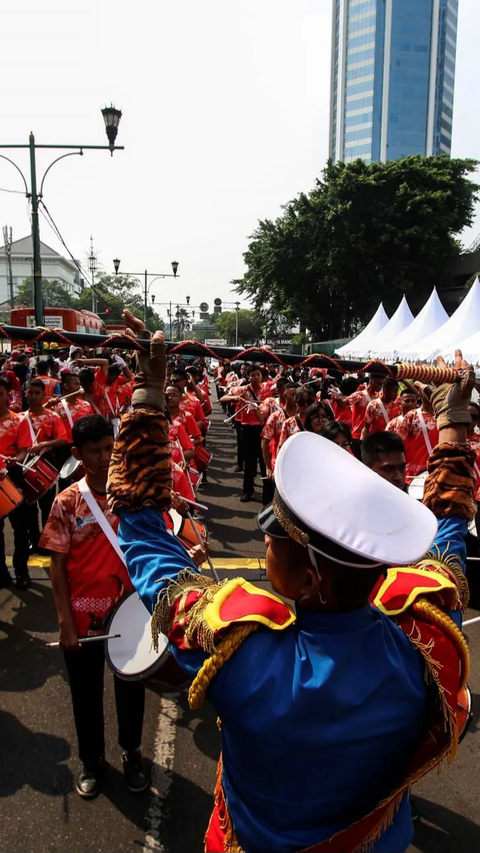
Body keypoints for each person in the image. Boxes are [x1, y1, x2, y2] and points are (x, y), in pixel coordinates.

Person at [108, 316, 474, 853]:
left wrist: (146, 398)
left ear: (310, 579)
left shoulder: (245, 656)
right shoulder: (424, 636)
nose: (266, 543)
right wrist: (455, 423)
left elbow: (141, 527)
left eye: (277, 537)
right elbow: (448, 538)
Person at [40, 415, 148, 799]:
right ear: (77, 454)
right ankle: (91, 760)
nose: (105, 458)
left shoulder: (133, 495)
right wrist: (64, 621)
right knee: (85, 695)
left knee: (131, 690)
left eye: (109, 449)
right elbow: (56, 567)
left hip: (131, 618)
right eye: (94, 451)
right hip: (84, 619)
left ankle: (132, 753)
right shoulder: (66, 501)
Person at [16, 378, 69, 550]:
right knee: (29, 508)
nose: (32, 396)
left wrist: (44, 445)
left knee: (47, 507)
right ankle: (34, 539)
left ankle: (47, 541)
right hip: (24, 467)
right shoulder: (19, 418)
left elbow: (63, 439)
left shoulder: (52, 417)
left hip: (46, 465)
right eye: (29, 392)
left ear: (44, 395)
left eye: (37, 393)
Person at [221, 364, 271, 503]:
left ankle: (268, 495)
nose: (255, 377)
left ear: (262, 376)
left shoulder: (268, 387)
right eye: (252, 375)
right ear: (248, 377)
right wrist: (235, 399)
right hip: (247, 430)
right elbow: (223, 398)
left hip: (264, 429)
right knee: (249, 463)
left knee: (265, 463)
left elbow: (282, 386)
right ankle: (248, 492)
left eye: (258, 374)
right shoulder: (242, 389)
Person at [0, 377, 31, 589]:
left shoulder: (18, 420)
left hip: (13, 476)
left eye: (0, 393)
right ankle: (2, 574)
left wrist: (15, 460)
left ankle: (22, 571)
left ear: (7, 395)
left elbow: (23, 451)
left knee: (20, 529)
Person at [277, 386, 315, 450]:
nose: (306, 405)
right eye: (301, 402)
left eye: (309, 402)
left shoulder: (318, 422)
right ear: (296, 403)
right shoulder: (288, 423)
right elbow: (282, 447)